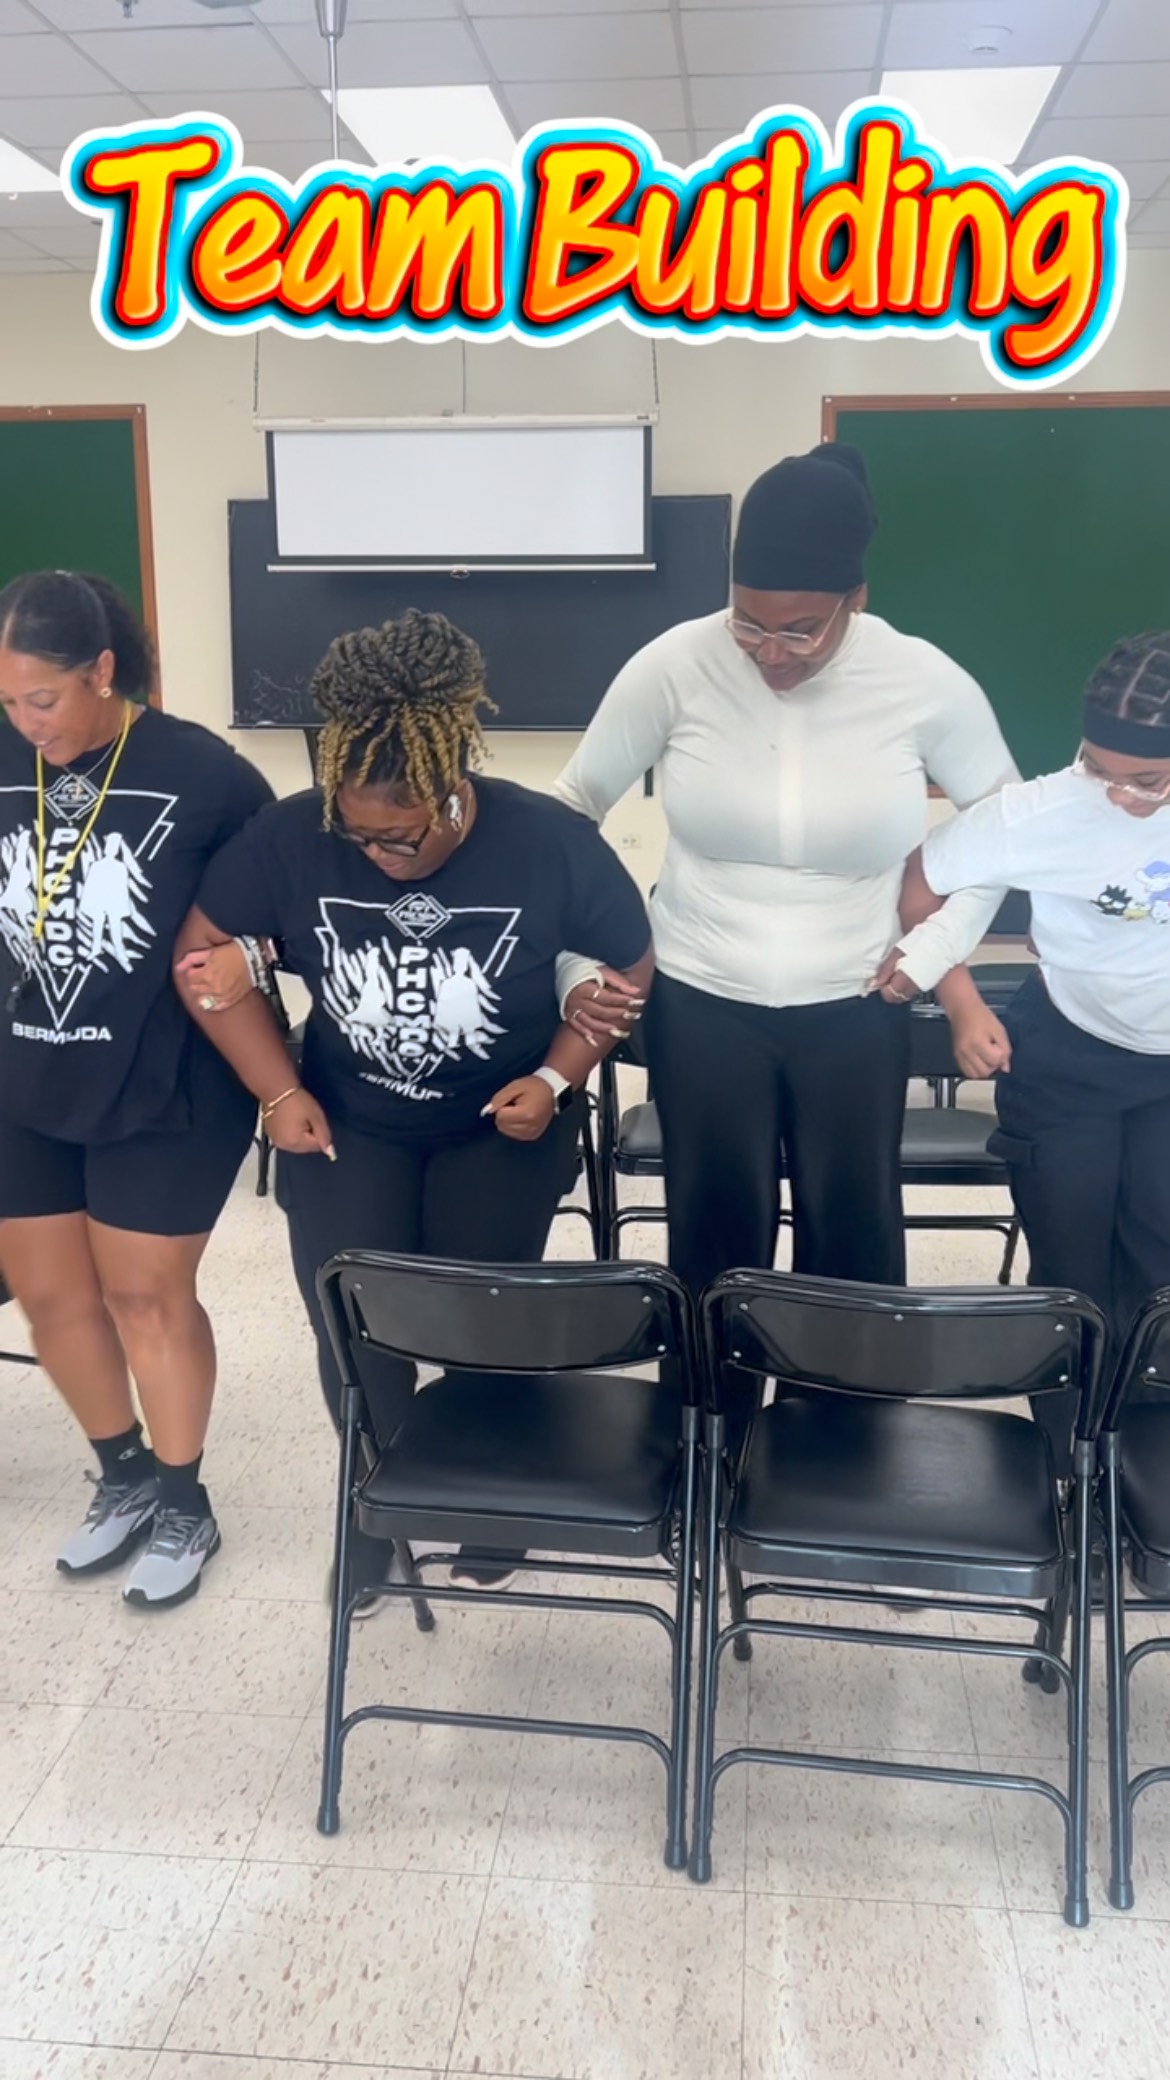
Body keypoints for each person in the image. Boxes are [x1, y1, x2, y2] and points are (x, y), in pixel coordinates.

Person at [174, 609, 653, 1593]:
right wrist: (277, 1089)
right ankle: (378, 1505)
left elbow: (627, 966)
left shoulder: (547, 840)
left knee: (484, 1320)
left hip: (499, 1122)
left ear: (450, 789)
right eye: (357, 835)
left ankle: (486, 1499)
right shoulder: (290, 835)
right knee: (351, 1321)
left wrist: (559, 1075)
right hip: (349, 1121)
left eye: (399, 837)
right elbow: (201, 959)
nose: (378, 856)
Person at [553, 444, 1019, 1381]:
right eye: (749, 625)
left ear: (856, 599)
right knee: (713, 1224)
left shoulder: (922, 679)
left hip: (857, 999)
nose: (771, 653)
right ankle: (708, 1426)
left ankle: (846, 1428)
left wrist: (934, 948)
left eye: (802, 632)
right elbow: (568, 815)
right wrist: (582, 961)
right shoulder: (675, 664)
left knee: (853, 1225)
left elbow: (1007, 829)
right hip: (701, 994)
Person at [0, 571, 272, 1606]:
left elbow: (277, 905)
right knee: (52, 1294)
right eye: (9, 703)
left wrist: (249, 956)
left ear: (103, 671)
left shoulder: (204, 774)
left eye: (44, 699)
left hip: (164, 1080)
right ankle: (121, 1476)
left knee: (142, 1293)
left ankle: (184, 1499)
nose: (27, 724)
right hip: (26, 1069)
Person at [886, 632, 1170, 1461]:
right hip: (1069, 1056)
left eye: (1148, 781)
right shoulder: (1042, 811)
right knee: (1073, 1259)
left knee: (1159, 1249)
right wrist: (962, 1003)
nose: (1119, 795)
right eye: (1100, 768)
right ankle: (1070, 1452)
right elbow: (920, 888)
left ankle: (1148, 1450)